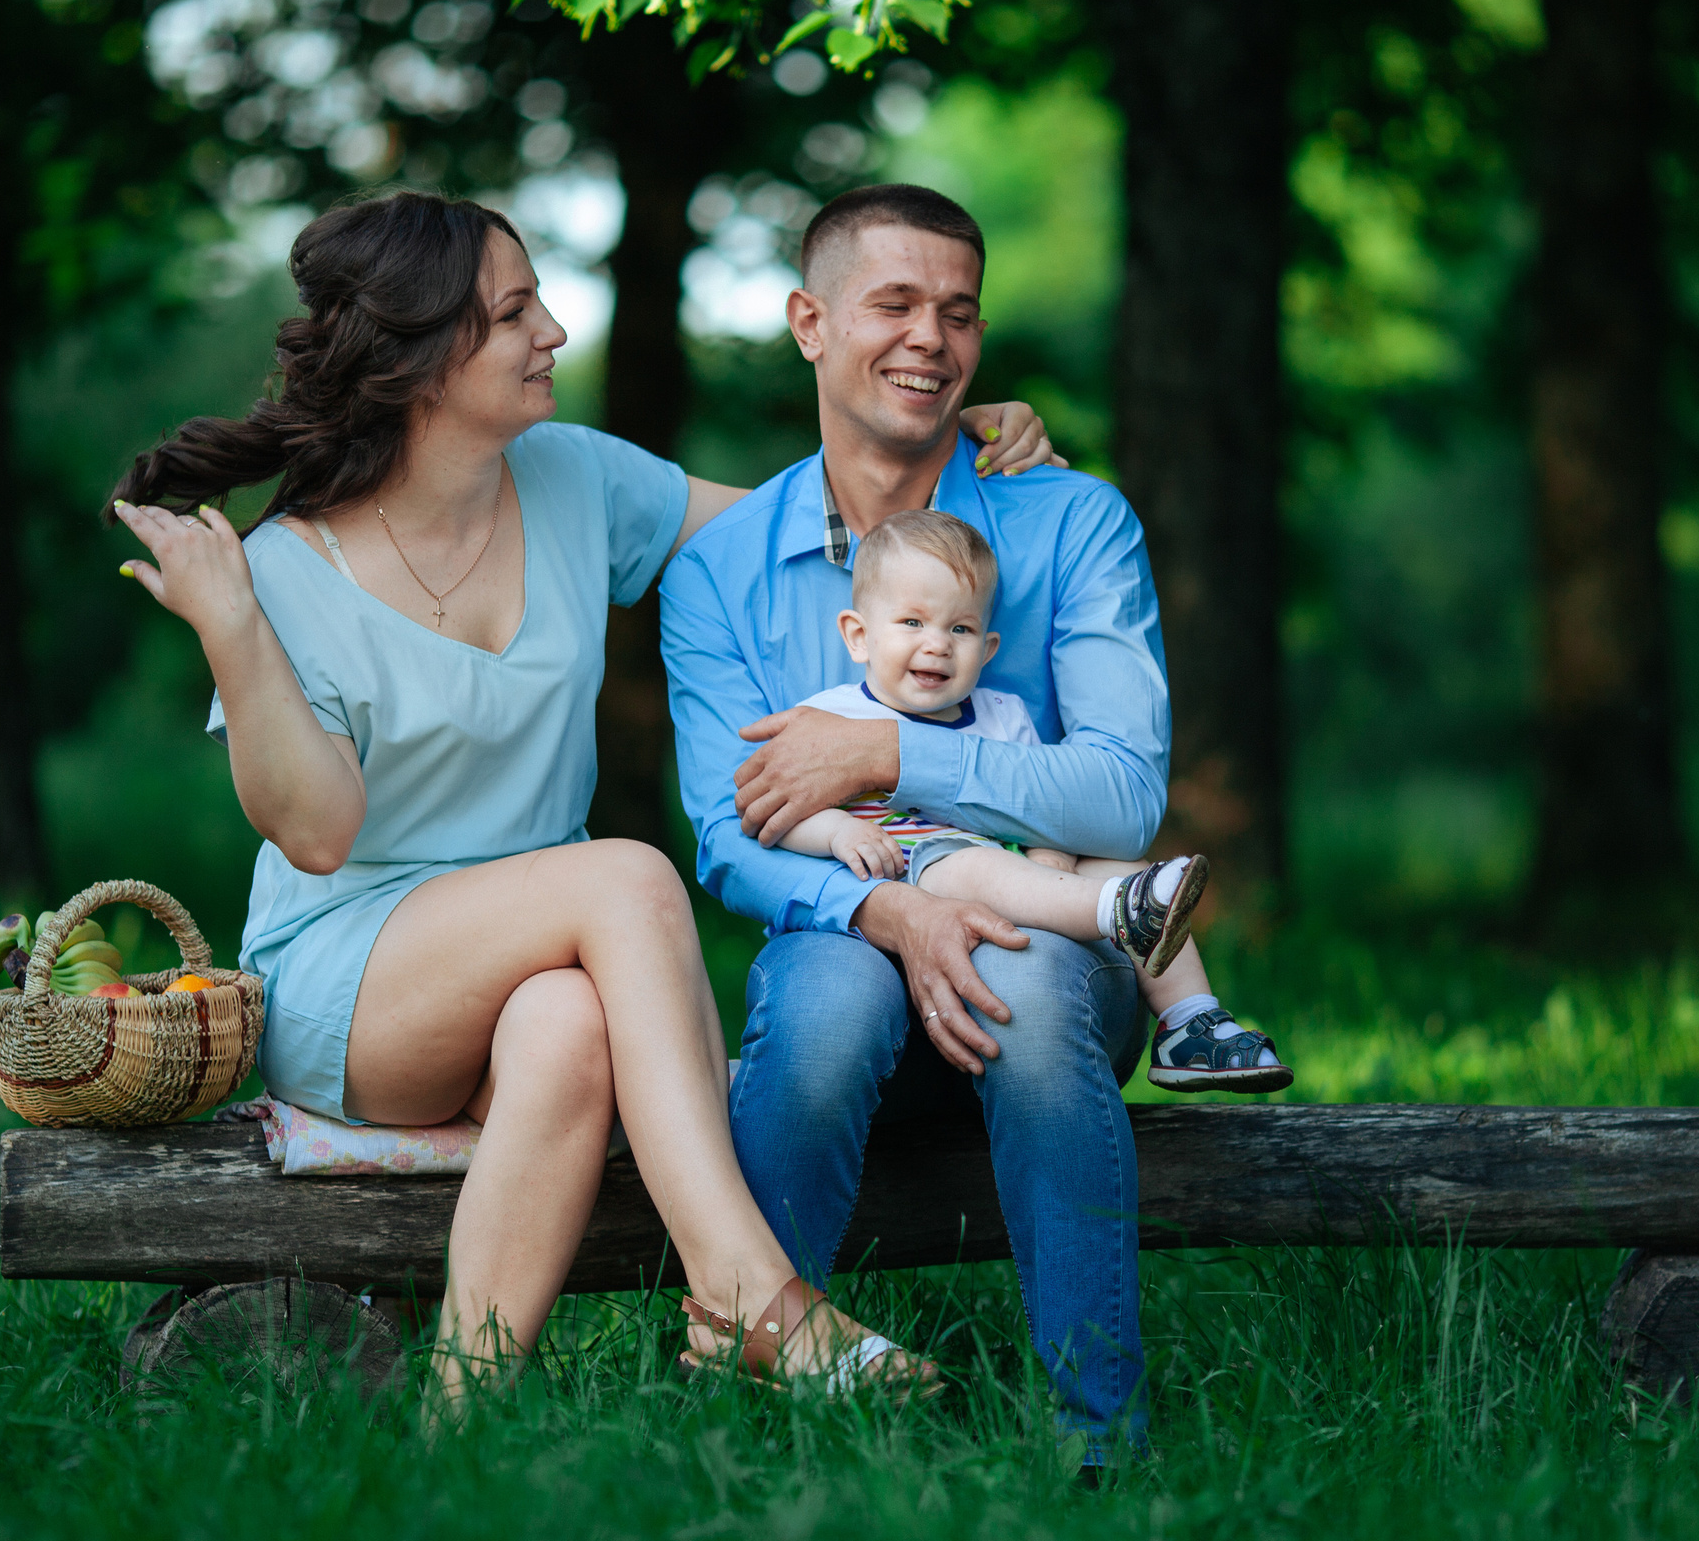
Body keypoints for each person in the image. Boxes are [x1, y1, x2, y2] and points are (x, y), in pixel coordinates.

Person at [106, 189, 1059, 1409]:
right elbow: (316, 831)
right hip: (356, 984)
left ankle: (465, 1416)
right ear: (425, 357)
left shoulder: (570, 480)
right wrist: (232, 625)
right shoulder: (291, 568)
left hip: (551, 965)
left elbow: (819, 540)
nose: (553, 330)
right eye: (516, 312)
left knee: (564, 1026)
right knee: (625, 871)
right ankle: (750, 1296)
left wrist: (951, 444)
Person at [661, 182, 1176, 1467]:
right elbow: (728, 837)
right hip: (849, 920)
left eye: (956, 314)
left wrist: (887, 750)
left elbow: (1122, 796)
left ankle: (1094, 1443)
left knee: (1037, 991)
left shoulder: (1075, 521)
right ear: (808, 322)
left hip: (1047, 927)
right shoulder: (721, 570)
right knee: (829, 1006)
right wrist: (890, 906)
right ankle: (750, 1400)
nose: (927, 340)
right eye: (891, 304)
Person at [773, 509, 1290, 1093]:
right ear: (858, 635)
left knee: (1122, 864)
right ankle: (1116, 913)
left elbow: (1040, 803)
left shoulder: (1002, 716)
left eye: (959, 630)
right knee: (965, 861)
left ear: (988, 646)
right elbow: (781, 814)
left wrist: (1052, 860)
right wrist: (838, 833)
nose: (937, 645)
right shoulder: (835, 717)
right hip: (911, 885)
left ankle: (1191, 1022)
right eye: (912, 622)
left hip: (1008, 873)